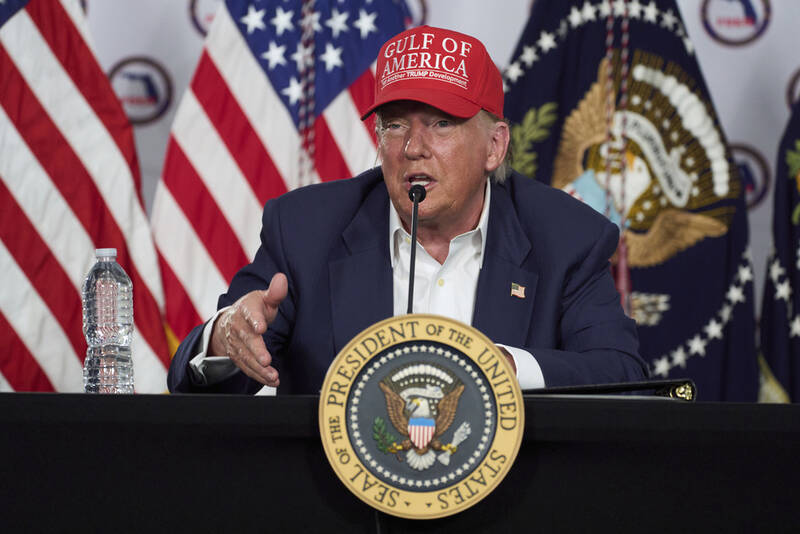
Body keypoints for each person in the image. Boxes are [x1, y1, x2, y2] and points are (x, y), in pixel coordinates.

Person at [167, 26, 647, 395]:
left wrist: (504, 366)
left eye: (441, 124)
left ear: (495, 146)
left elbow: (621, 374)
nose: (413, 147)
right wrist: (225, 340)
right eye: (393, 125)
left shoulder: (565, 237)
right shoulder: (306, 229)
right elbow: (208, 383)